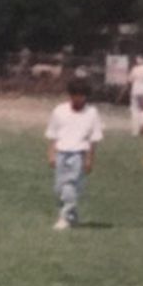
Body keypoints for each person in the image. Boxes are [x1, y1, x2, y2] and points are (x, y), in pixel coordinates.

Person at [45, 77, 103, 230]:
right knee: (59, 188)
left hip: (79, 153)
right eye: (75, 95)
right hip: (61, 152)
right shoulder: (59, 110)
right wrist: (51, 153)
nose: (78, 99)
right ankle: (72, 215)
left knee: (70, 186)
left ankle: (64, 217)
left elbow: (93, 138)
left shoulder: (92, 113)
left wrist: (90, 159)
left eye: (81, 95)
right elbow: (52, 133)